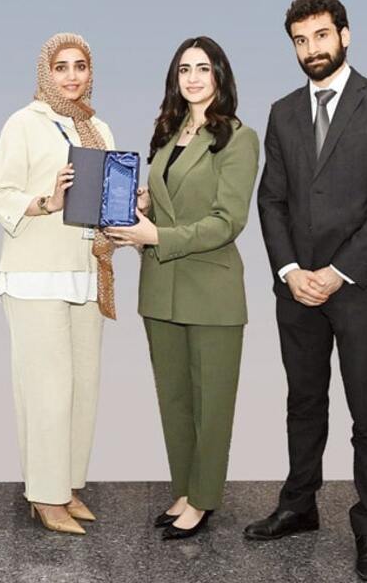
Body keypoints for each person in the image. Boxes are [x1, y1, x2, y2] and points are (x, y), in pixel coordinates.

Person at [247, 0, 367, 582]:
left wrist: (337, 271)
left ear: (345, 35)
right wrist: (291, 270)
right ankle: (299, 505)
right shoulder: (282, 112)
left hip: (358, 286)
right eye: (301, 40)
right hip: (296, 288)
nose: (311, 49)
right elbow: (271, 200)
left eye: (321, 35)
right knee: (303, 401)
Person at [106, 36, 259, 540]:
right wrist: (144, 207)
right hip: (161, 287)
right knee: (174, 401)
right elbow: (172, 201)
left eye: (203, 68)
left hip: (211, 290)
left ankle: (204, 499)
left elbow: (227, 221)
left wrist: (157, 236)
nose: (193, 78)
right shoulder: (169, 134)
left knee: (211, 404)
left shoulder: (238, 138)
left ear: (220, 75)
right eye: (184, 69)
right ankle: (184, 489)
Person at [0, 32, 116, 536]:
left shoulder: (98, 127)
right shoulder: (24, 123)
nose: (72, 76)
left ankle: (68, 485)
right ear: (46, 72)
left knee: (83, 387)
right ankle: (44, 494)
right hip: (35, 273)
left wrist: (128, 205)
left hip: (86, 272)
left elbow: (103, 197)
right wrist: (46, 201)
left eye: (80, 65)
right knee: (47, 390)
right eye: (61, 67)